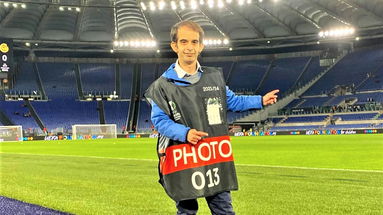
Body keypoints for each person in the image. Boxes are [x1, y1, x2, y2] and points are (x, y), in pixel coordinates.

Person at [145, 20, 279, 215]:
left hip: (213, 154)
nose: (189, 48)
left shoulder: (213, 78)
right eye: (183, 42)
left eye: (194, 42)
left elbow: (233, 102)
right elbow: (160, 121)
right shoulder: (162, 86)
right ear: (174, 46)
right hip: (183, 156)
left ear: (201, 46)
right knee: (187, 211)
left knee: (224, 209)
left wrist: (260, 100)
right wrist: (185, 133)